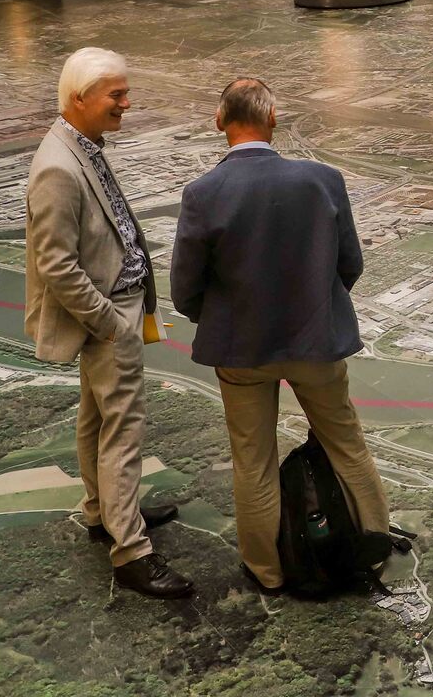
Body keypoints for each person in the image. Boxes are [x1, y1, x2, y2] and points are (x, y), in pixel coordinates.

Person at [170, 79, 392, 596]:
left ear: (219, 121)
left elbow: (185, 289)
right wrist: (315, 309)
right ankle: (373, 548)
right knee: (346, 444)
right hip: (316, 343)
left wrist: (227, 319)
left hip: (241, 351)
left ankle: (266, 570)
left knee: (253, 461)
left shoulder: (203, 194)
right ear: (273, 117)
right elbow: (350, 264)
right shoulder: (322, 180)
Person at [24, 48, 193, 599]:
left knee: (97, 417)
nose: (126, 103)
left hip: (115, 310)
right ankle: (132, 553)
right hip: (108, 315)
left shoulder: (81, 145)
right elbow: (56, 265)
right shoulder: (58, 166)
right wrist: (108, 322)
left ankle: (104, 513)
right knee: (123, 428)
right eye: (116, 94)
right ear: (79, 98)